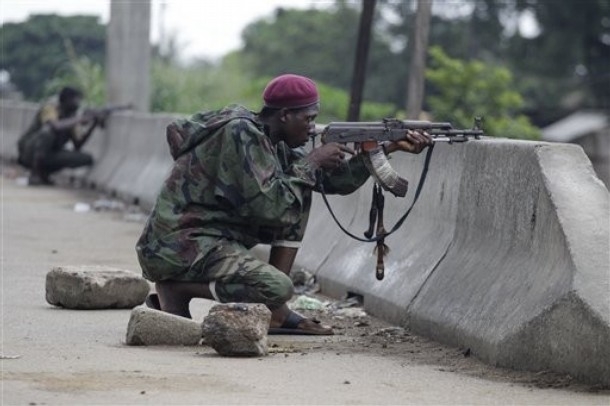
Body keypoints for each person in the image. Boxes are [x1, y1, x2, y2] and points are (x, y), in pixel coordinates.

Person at [136, 74, 432, 335]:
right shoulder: (240, 132)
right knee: (276, 287)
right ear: (285, 115)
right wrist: (312, 161)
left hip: (204, 241)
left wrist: (387, 147)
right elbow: (270, 207)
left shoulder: (272, 141)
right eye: (308, 119)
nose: (313, 128)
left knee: (301, 189)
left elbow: (333, 183)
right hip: (176, 247)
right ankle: (176, 288)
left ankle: (275, 313)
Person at [17, 86, 103, 185]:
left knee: (86, 159)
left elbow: (78, 144)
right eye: (76, 100)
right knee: (47, 132)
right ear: (66, 99)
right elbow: (55, 126)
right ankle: (35, 174)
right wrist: (80, 119)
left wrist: (93, 124)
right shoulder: (50, 108)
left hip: (51, 154)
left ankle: (44, 173)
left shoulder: (71, 116)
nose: (78, 103)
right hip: (28, 152)